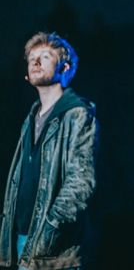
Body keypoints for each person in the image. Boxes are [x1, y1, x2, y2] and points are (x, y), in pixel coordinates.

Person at [0, 32, 99, 270]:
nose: (35, 61)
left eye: (45, 56)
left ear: (64, 67)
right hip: (23, 240)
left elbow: (81, 183)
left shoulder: (77, 114)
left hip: (55, 250)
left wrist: (49, 228)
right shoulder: (30, 118)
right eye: (32, 57)